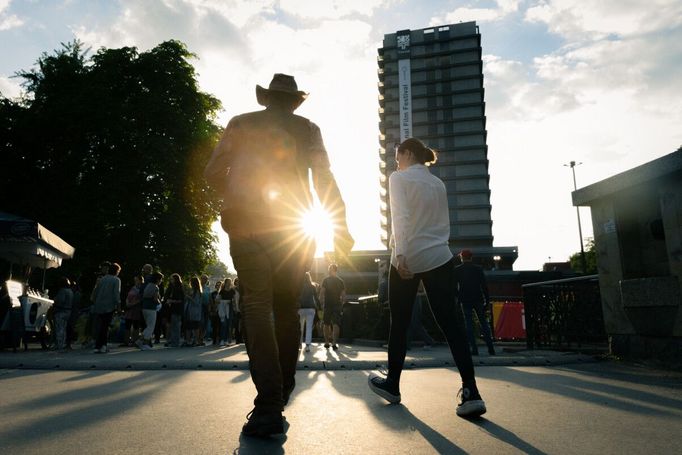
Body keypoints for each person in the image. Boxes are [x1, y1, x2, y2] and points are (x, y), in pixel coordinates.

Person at [204, 73, 353, 437]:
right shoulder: (309, 130)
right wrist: (340, 225)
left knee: (256, 305)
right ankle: (280, 394)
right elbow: (324, 179)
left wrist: (236, 190)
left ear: (267, 99)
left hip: (246, 224)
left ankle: (269, 402)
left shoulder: (241, 123)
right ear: (294, 102)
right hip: (292, 227)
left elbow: (211, 172)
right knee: (286, 308)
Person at [367, 138, 486, 418]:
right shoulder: (438, 184)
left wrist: (401, 256)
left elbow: (401, 217)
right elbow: (441, 223)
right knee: (451, 324)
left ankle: (393, 385)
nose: (396, 162)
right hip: (440, 257)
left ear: (408, 153)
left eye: (398, 156)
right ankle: (471, 392)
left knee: (400, 323)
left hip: (409, 256)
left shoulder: (398, 178)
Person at [455, 249, 495, 356]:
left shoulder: (457, 270)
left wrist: (458, 299)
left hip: (465, 300)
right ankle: (491, 348)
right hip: (478, 299)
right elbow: (484, 286)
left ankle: (474, 349)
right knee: (484, 323)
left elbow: (454, 288)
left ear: (461, 257)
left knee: (468, 325)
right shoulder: (478, 269)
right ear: (471, 257)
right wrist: (487, 300)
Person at [91, 262, 122, 354]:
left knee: (100, 326)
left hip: (99, 305)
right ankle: (103, 346)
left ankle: (97, 346)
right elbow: (116, 294)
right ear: (117, 271)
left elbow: (96, 291)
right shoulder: (116, 280)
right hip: (109, 306)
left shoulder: (102, 279)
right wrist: (119, 306)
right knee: (105, 326)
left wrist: (95, 301)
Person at [320, 264, 345, 351]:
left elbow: (322, 293)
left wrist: (321, 303)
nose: (329, 270)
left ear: (331, 270)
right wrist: (341, 305)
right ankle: (334, 343)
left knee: (326, 324)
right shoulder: (340, 281)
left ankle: (327, 342)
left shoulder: (325, 280)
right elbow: (343, 295)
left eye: (329, 269)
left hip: (328, 305)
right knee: (336, 324)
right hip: (337, 305)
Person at [138, 271, 163, 350]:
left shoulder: (148, 285)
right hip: (151, 308)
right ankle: (144, 343)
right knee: (151, 327)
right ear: (157, 279)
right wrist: (159, 303)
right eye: (161, 279)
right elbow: (155, 299)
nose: (161, 281)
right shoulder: (155, 287)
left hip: (144, 307)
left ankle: (140, 341)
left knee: (148, 325)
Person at [406, 283, 435, 350]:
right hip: (412, 299)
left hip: (415, 299)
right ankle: (406, 344)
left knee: (414, 322)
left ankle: (429, 341)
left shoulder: (417, 279)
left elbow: (422, 291)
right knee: (411, 323)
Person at [298, 272, 319, 353]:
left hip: (300, 308)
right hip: (311, 309)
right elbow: (316, 298)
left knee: (300, 327)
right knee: (309, 327)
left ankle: (299, 344)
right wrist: (319, 308)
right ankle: (307, 346)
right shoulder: (312, 286)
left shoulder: (299, 286)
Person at [52, 277, 74, 352]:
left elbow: (60, 301)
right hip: (68, 311)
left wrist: (55, 301)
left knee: (59, 328)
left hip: (61, 311)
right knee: (64, 328)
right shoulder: (70, 291)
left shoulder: (62, 291)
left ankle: (59, 344)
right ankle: (63, 343)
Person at [165, 273, 185, 348]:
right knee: (173, 326)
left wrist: (171, 301)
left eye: (172, 279)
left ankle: (175, 342)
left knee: (176, 326)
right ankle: (174, 341)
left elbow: (180, 300)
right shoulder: (171, 287)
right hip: (172, 309)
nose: (171, 280)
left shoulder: (179, 288)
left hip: (177, 309)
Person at [123, 275, 144, 347]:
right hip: (129, 309)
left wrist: (132, 304)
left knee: (136, 326)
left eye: (137, 280)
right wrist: (127, 303)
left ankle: (135, 341)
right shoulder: (133, 288)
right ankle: (126, 341)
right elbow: (128, 297)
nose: (135, 281)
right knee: (127, 325)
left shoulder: (142, 289)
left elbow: (141, 300)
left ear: (141, 280)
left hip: (136, 309)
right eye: (135, 280)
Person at [184, 276, 203, 347]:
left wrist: (189, 297)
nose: (190, 284)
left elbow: (196, 303)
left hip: (195, 312)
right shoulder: (191, 291)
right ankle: (188, 341)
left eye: (191, 282)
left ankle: (196, 341)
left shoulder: (197, 292)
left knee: (195, 327)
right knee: (188, 327)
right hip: (189, 311)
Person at [218, 278, 236, 346]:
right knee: (223, 325)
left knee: (228, 325)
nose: (229, 283)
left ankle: (226, 340)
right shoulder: (222, 291)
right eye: (228, 282)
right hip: (223, 309)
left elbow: (234, 300)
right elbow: (218, 299)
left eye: (230, 282)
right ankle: (222, 340)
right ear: (225, 283)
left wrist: (233, 305)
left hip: (230, 309)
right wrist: (223, 302)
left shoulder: (232, 291)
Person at [209, 280, 223, 346]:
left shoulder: (223, 293)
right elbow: (211, 302)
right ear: (215, 286)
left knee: (220, 326)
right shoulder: (213, 293)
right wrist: (212, 310)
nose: (218, 286)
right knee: (214, 326)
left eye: (219, 285)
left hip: (221, 311)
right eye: (217, 285)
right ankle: (214, 340)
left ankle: (219, 339)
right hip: (214, 311)